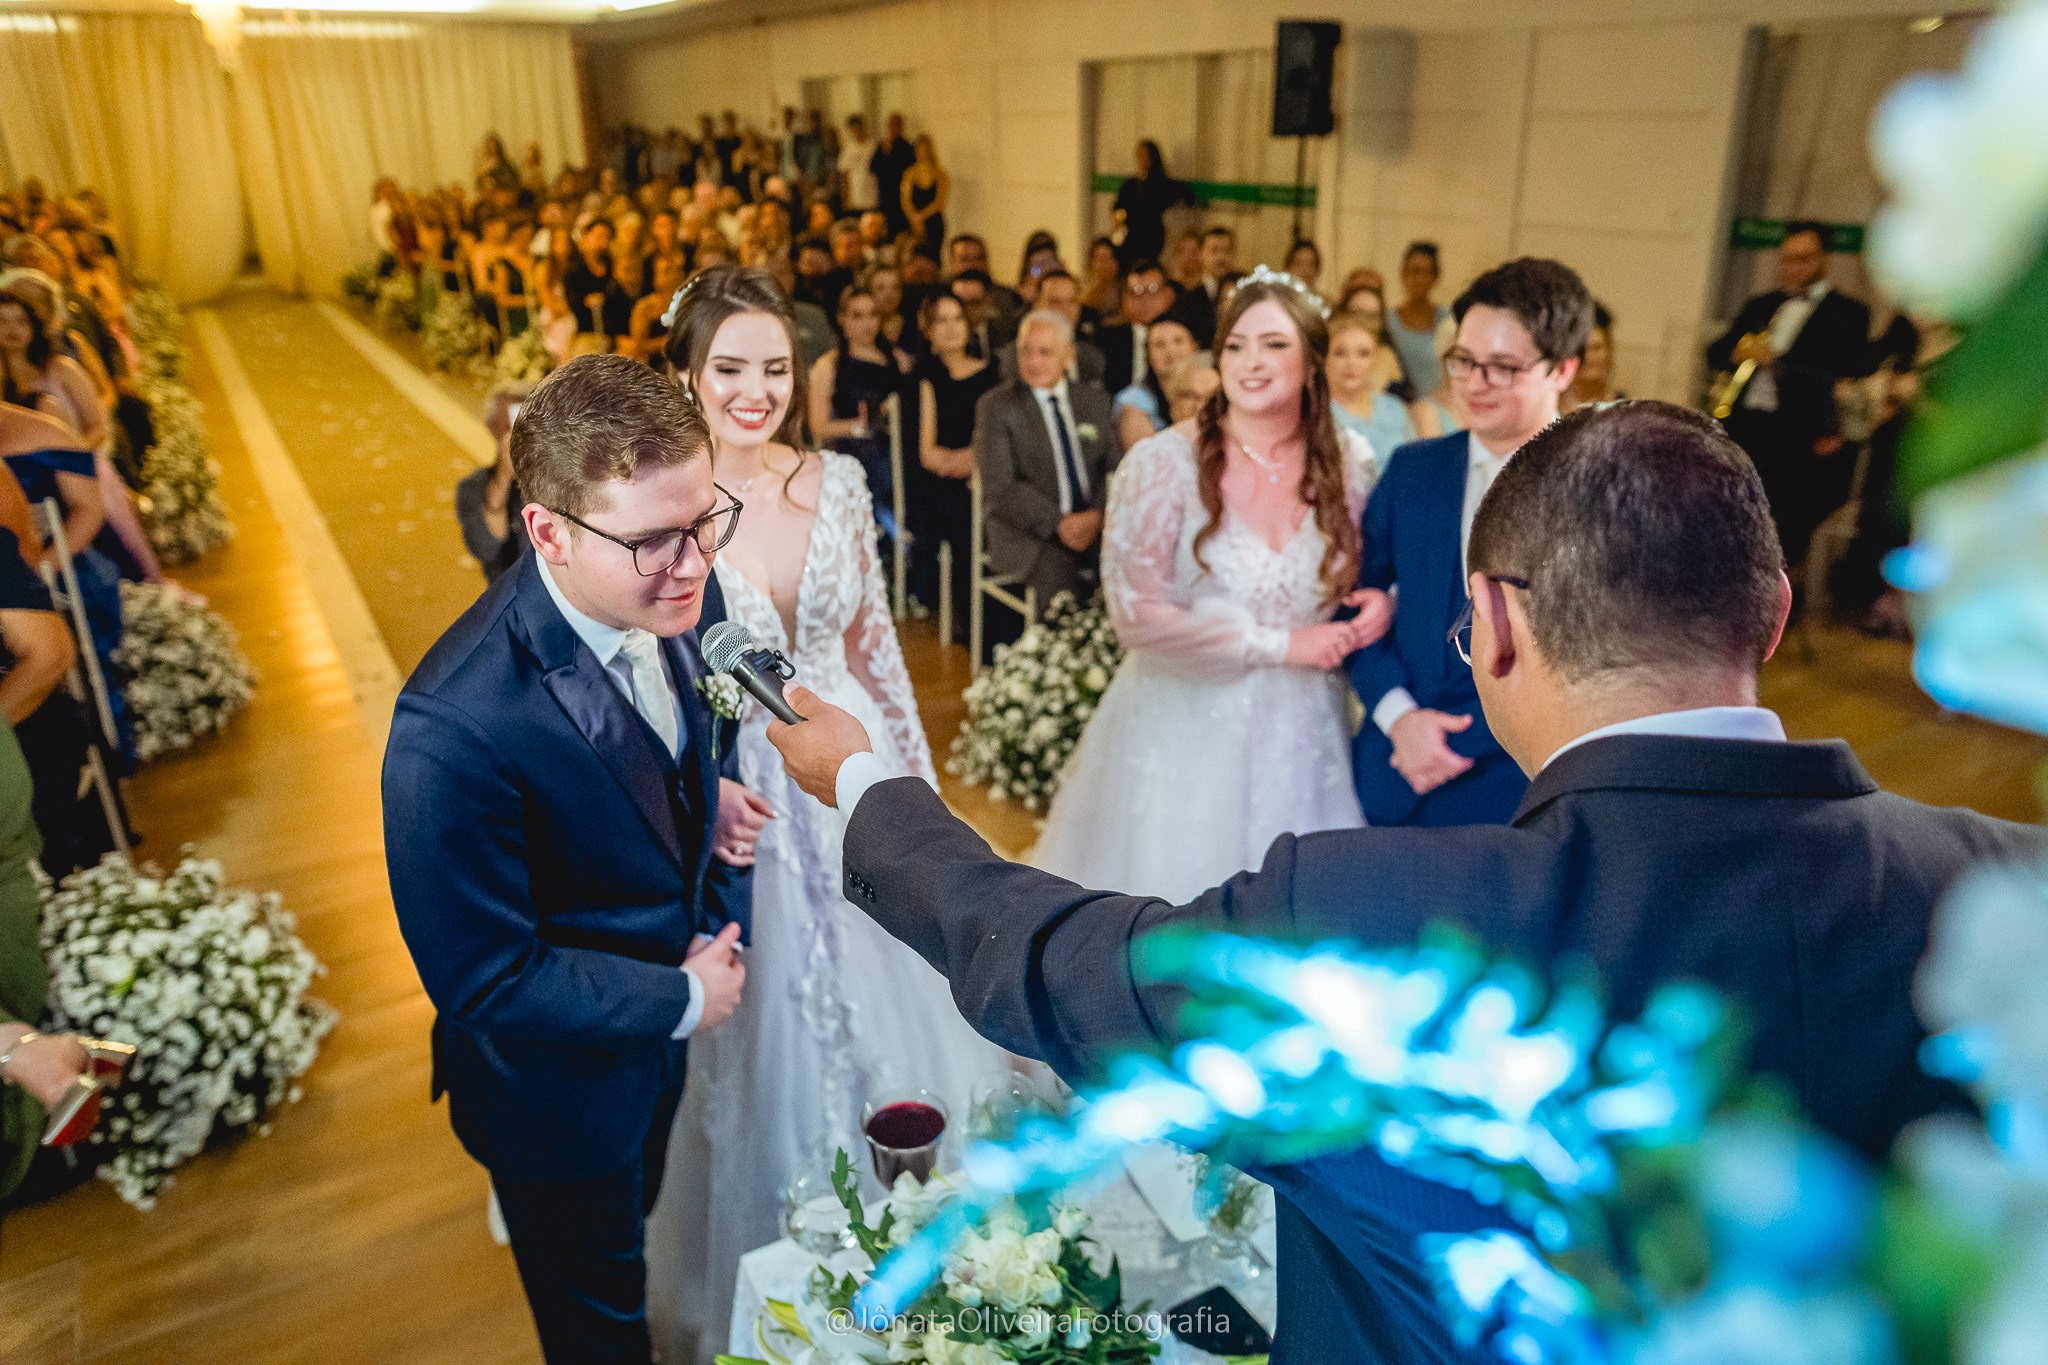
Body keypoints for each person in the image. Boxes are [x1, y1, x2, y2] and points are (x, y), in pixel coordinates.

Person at [765, 398, 2048, 1365]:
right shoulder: (2006, 891)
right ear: (1770, 617)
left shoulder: (1362, 917)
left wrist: (868, 785)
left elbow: (1054, 962)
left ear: (1493, 626)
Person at [646, 267, 1006, 1361]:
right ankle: (802, 1270)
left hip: (852, 752)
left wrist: (915, 788)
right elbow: (651, 678)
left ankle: (930, 1223)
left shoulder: (838, 481)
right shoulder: (662, 502)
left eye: (774, 368)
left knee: (904, 978)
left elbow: (873, 646)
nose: (754, 391)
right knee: (778, 1021)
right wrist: (702, 796)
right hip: (748, 783)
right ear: (686, 375)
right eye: (729, 368)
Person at [383, 356, 754, 1364]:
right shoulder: (451, 728)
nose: (693, 563)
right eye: (652, 540)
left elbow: (659, 764)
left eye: (705, 520)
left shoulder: (679, 587)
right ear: (547, 530)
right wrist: (682, 998)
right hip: (556, 1102)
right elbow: (484, 976)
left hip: (651, 1059)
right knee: (597, 1328)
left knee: (636, 1235)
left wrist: (705, 795)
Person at [1029, 275, 1389, 902]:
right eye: (1236, 346)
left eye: (1273, 344)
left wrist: (1380, 603)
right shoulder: (1162, 464)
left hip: (1304, 731)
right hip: (1185, 728)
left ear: (1312, 362)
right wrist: (1279, 646)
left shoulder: (1349, 463)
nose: (1251, 362)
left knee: (1295, 912)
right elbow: (1136, 616)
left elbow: (1367, 570)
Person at [1348, 257, 1592, 829]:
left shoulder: (1593, 489)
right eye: (1463, 361)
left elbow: (1600, 660)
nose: (1475, 384)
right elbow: (1351, 601)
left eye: (1502, 367)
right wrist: (1400, 717)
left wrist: (1456, 740)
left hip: (1520, 786)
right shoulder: (1414, 469)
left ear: (1562, 369)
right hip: (1396, 769)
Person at [1707, 221, 1874, 569]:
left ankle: (1780, 583)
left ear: (1823, 259)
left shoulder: (1848, 313)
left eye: (1802, 259)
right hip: (1746, 421)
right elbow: (1715, 351)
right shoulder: (1762, 305)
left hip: (1798, 432)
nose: (1792, 268)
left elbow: (1842, 374)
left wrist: (1777, 363)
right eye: (1786, 259)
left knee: (1786, 520)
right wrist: (1738, 352)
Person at [972, 309, 1116, 617]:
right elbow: (1001, 487)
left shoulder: (1094, 402)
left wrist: (1097, 516)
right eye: (1026, 351)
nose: (1033, 362)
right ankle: (1060, 647)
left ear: (1069, 355)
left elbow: (1115, 469)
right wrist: (1059, 523)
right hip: (1028, 532)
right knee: (1061, 589)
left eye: (1045, 352)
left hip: (1095, 524)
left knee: (1128, 569)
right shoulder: (996, 407)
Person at [908, 293, 999, 639]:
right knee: (964, 518)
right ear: (929, 329)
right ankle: (981, 628)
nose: (951, 328)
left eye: (957, 318)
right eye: (941, 320)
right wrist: (966, 462)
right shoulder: (926, 377)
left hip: (990, 472)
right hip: (944, 482)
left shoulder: (992, 373)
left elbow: (1001, 438)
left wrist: (980, 461)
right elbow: (928, 453)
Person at [807, 287, 900, 512]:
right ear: (842, 319)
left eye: (872, 315)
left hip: (896, 451)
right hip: (855, 457)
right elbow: (819, 425)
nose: (867, 323)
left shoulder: (895, 360)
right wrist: (862, 424)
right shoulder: (829, 366)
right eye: (857, 316)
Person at [454, 384, 531, 584]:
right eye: (512, 420)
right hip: (514, 591)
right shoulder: (474, 486)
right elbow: (485, 546)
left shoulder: (563, 478)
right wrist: (504, 476)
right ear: (492, 427)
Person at [1326, 309, 1417, 461]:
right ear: (1325, 358)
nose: (1351, 363)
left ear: (1375, 359)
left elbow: (1415, 464)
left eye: (1363, 354)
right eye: (1340, 353)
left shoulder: (1395, 409)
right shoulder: (1316, 416)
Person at [1110, 316, 1196, 452]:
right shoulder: (1133, 400)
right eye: (1159, 345)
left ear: (1194, 347)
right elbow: (1144, 456)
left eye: (1178, 341)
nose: (1170, 351)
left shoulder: (1211, 390)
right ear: (1148, 356)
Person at [1095, 258, 1176, 398]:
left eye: (1153, 290)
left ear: (1168, 295)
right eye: (1136, 292)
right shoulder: (1106, 340)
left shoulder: (1181, 336)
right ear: (1124, 299)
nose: (1145, 299)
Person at [1110, 139, 1194, 270]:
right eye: (1139, 156)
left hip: (1152, 234)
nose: (1142, 160)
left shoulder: (1161, 184)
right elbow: (1119, 207)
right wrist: (1118, 222)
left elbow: (1184, 194)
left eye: (1145, 156)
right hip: (1131, 233)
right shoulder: (1130, 184)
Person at [1386, 241, 1449, 398]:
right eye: (1415, 271)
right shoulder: (1388, 323)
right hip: (1400, 407)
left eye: (1427, 273)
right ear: (1403, 273)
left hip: (1439, 407)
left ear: (1435, 278)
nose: (1420, 279)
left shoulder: (1448, 321)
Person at [1563, 302, 1623, 411]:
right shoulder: (1551, 405)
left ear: (1608, 351)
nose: (1588, 357)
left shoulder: (1622, 407)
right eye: (1582, 349)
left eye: (1596, 348)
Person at [870, 114, 916, 239]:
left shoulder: (908, 147)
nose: (894, 128)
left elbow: (909, 170)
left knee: (901, 228)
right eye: (891, 125)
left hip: (901, 195)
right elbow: (872, 168)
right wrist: (885, 152)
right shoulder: (882, 146)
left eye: (897, 125)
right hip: (885, 194)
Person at [837, 114, 878, 215]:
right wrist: (845, 197)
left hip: (871, 191)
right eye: (853, 129)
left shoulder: (873, 146)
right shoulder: (848, 148)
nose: (857, 131)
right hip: (855, 193)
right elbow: (844, 174)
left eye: (858, 128)